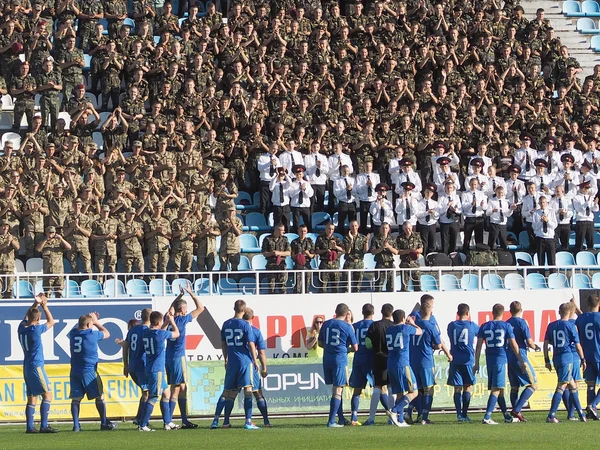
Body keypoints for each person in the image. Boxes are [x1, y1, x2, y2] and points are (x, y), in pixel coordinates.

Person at [474, 304, 526, 425]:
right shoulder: (506, 326)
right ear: (503, 313)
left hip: (489, 360)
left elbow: (478, 346)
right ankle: (487, 417)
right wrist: (521, 360)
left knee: (500, 389)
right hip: (501, 359)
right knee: (496, 389)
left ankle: (506, 416)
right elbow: (514, 345)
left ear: (492, 312)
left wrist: (476, 362)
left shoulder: (484, 326)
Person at [68, 312, 118, 432]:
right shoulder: (92, 334)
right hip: (89, 370)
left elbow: (80, 326)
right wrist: (96, 322)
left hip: (75, 370)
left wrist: (88, 320)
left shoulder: (72, 334)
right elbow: (107, 334)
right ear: (89, 324)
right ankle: (104, 423)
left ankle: (76, 426)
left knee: (76, 398)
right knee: (100, 396)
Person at [166, 284, 205, 429]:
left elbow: (170, 308)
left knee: (182, 387)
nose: (187, 310)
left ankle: (184, 420)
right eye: (186, 308)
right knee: (176, 389)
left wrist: (179, 297)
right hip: (178, 357)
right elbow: (201, 308)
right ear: (182, 310)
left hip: (168, 357)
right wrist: (192, 294)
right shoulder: (182, 320)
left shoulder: (167, 318)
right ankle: (168, 421)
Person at [218, 300, 260, 430]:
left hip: (231, 362)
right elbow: (251, 344)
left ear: (233, 308)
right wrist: (255, 359)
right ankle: (248, 421)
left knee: (229, 392)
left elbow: (223, 343)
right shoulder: (245, 325)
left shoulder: (226, 323)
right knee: (248, 390)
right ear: (244, 309)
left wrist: (226, 358)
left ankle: (225, 422)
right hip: (244, 361)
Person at [18, 293, 57, 433]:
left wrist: (36, 304)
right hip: (36, 366)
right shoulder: (35, 330)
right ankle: (44, 426)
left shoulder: (21, 328)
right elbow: (51, 322)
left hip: (27, 366)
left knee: (32, 397)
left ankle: (30, 427)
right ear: (39, 318)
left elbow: (28, 316)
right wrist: (44, 306)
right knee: (47, 394)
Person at [138, 310, 181, 431]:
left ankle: (167, 422)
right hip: (157, 369)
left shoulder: (146, 332)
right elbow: (177, 333)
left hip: (151, 367)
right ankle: (143, 424)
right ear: (159, 322)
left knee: (166, 393)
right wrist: (171, 321)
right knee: (153, 397)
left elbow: (158, 330)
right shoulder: (161, 334)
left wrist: (166, 322)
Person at [410, 301, 452, 425]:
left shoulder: (413, 324)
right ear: (431, 312)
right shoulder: (430, 326)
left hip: (413, 360)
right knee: (428, 389)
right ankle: (424, 417)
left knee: (416, 390)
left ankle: (408, 412)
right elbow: (439, 344)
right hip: (426, 361)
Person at [544, 303, 587, 423]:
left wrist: (546, 359)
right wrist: (583, 359)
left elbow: (546, 343)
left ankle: (581, 414)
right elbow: (578, 345)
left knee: (572, 384)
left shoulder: (551, 325)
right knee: (562, 385)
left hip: (556, 358)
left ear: (559, 312)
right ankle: (551, 415)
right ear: (571, 313)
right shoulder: (571, 326)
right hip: (566, 358)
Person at [318, 303, 358, 428]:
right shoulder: (347, 327)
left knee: (336, 389)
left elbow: (320, 343)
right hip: (340, 360)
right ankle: (331, 421)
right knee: (338, 390)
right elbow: (356, 347)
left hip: (327, 359)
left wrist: (331, 348)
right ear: (347, 314)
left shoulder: (326, 324)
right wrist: (345, 349)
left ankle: (340, 418)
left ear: (335, 311)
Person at [386, 309, 422, 427]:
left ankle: (400, 420)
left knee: (400, 393)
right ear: (403, 318)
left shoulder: (389, 330)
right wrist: (412, 322)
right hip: (403, 364)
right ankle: (394, 410)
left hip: (391, 364)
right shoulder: (406, 328)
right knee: (414, 392)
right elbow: (420, 331)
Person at [506, 301, 541, 422]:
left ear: (510, 311)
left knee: (514, 387)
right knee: (533, 384)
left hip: (509, 357)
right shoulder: (522, 322)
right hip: (520, 357)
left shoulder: (507, 323)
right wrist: (536, 347)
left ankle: (517, 414)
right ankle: (517, 409)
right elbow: (529, 342)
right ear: (521, 310)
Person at [447, 303, 479, 422]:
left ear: (457, 313)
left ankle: (459, 414)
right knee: (467, 387)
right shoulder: (472, 325)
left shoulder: (451, 325)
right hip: (468, 360)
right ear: (467, 313)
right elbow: (481, 334)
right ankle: (465, 414)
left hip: (455, 359)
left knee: (457, 388)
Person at [363, 303, 395, 426]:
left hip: (378, 358)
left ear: (381, 312)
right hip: (392, 359)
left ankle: (371, 418)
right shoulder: (394, 326)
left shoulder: (375, 325)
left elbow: (367, 343)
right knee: (392, 388)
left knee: (377, 388)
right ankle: (392, 418)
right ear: (391, 313)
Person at [121, 307, 152, 427]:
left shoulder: (133, 331)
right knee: (147, 393)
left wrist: (125, 365)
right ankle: (141, 420)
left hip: (132, 365)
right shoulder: (147, 331)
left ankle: (139, 417)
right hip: (142, 365)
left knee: (145, 392)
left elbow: (125, 347)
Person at [244, 308, 271, 427]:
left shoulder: (234, 328)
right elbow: (261, 352)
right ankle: (265, 421)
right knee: (257, 393)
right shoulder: (254, 331)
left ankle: (224, 421)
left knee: (229, 394)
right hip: (250, 364)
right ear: (253, 317)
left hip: (235, 365)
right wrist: (264, 368)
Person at [575, 294, 600, 419]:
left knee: (590, 385)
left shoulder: (581, 319)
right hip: (599, 355)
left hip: (586, 356)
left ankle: (591, 412)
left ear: (588, 305)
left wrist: (576, 308)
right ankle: (593, 405)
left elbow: (583, 318)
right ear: (599, 304)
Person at [349, 304, 375, 426]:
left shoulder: (356, 326)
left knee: (357, 391)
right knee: (380, 389)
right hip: (371, 360)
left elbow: (350, 342)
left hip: (358, 359)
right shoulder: (375, 325)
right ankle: (391, 414)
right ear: (373, 312)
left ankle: (353, 417)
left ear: (362, 312)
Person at [36, 225, 71, 298]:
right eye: (49, 232)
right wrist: (46, 240)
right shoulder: (43, 242)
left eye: (53, 232)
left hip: (59, 272)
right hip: (48, 272)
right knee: (47, 293)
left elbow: (69, 247)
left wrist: (61, 239)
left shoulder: (59, 242)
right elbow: (38, 249)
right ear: (46, 233)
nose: (51, 234)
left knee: (59, 293)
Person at [315, 222, 345, 293]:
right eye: (329, 228)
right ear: (325, 229)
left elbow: (344, 250)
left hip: (334, 264)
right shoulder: (320, 238)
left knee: (335, 286)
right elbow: (316, 251)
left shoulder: (336, 239)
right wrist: (325, 251)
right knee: (323, 287)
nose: (330, 230)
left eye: (332, 229)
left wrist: (336, 247)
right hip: (324, 264)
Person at [261, 223, 291, 294]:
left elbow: (288, 252)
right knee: (271, 288)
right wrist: (272, 253)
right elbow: (264, 253)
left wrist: (279, 253)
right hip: (271, 265)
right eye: (282, 231)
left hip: (282, 265)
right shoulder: (267, 239)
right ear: (277, 230)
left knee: (283, 287)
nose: (283, 232)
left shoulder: (285, 239)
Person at [370, 222, 398, 292]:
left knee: (391, 287)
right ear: (380, 229)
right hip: (380, 264)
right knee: (378, 287)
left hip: (390, 264)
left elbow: (396, 252)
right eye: (383, 228)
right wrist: (382, 248)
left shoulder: (392, 238)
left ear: (388, 229)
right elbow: (373, 252)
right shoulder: (375, 239)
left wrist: (388, 247)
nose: (384, 230)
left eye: (386, 228)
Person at [573, 180, 599, 252]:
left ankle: (591, 253)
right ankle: (578, 253)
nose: (587, 190)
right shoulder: (577, 198)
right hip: (581, 220)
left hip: (590, 220)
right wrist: (587, 202)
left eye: (588, 188)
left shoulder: (590, 197)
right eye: (586, 188)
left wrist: (595, 204)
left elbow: (595, 209)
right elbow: (579, 209)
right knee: (580, 240)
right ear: (582, 188)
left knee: (590, 239)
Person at [343, 220, 368, 293]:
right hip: (349, 262)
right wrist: (351, 240)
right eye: (352, 226)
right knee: (346, 285)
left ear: (358, 226)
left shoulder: (362, 237)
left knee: (357, 286)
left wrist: (366, 241)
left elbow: (365, 251)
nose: (354, 227)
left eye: (355, 225)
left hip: (359, 262)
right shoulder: (346, 237)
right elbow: (347, 251)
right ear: (349, 227)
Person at [396, 221, 423, 292]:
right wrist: (408, 251)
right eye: (405, 229)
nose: (407, 230)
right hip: (405, 263)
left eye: (409, 228)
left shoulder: (417, 236)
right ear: (403, 229)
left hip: (415, 263)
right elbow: (397, 251)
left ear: (412, 227)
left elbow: (421, 248)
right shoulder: (399, 238)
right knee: (404, 287)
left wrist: (416, 251)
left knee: (417, 285)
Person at [532, 195, 558, 267]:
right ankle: (541, 275)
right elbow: (535, 227)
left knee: (552, 260)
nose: (542, 204)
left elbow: (554, 225)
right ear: (539, 203)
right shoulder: (536, 213)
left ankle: (553, 275)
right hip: (540, 238)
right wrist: (541, 221)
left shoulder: (551, 212)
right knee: (541, 259)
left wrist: (548, 221)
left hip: (550, 238)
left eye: (544, 202)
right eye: (541, 202)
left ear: (546, 203)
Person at [290, 224, 315, 294]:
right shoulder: (294, 242)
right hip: (298, 266)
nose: (303, 233)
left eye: (304, 231)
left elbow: (313, 255)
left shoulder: (310, 241)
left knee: (307, 285)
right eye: (301, 231)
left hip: (307, 265)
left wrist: (308, 254)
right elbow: (292, 256)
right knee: (297, 286)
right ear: (298, 231)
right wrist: (298, 256)